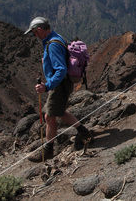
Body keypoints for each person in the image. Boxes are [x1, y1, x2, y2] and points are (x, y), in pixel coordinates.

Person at [25, 17, 91, 161]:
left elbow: (60, 69)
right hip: (62, 83)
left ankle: (48, 151)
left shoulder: (52, 44)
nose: (34, 36)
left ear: (40, 30)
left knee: (49, 116)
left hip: (59, 85)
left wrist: (47, 86)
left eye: (34, 33)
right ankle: (84, 132)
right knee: (59, 112)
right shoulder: (56, 37)